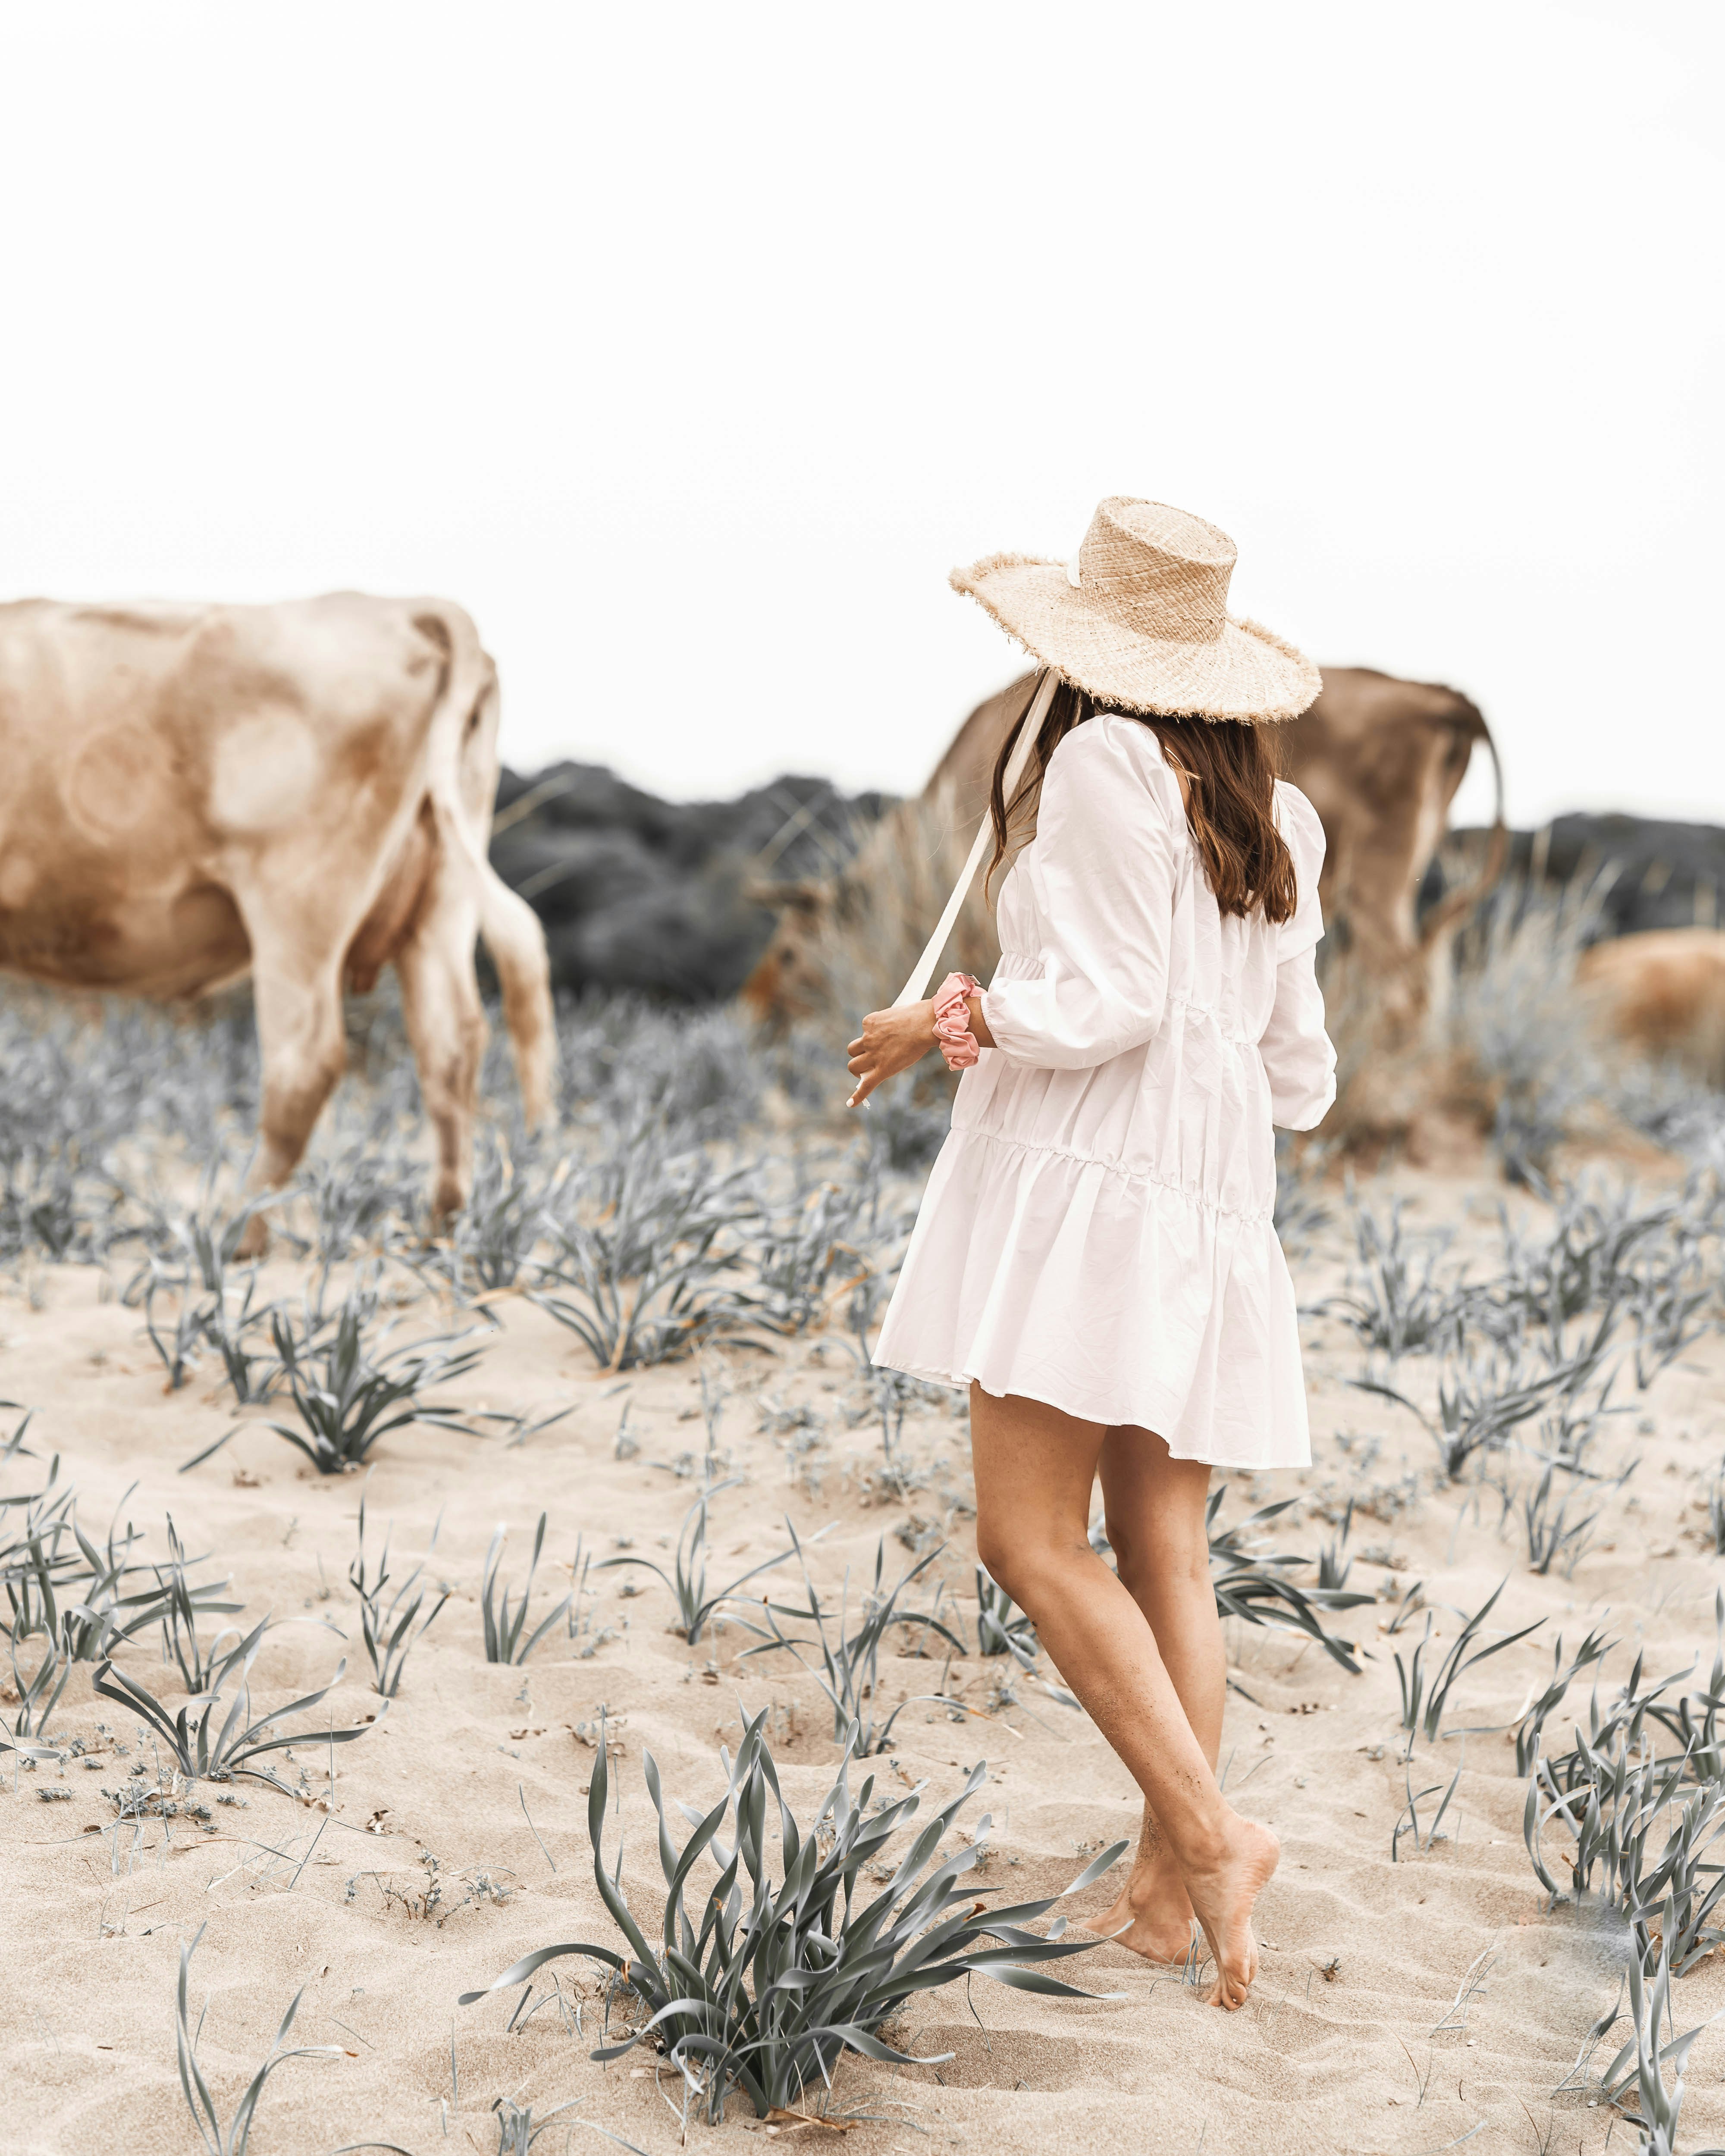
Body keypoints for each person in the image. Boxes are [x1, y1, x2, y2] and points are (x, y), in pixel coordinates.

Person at [847, 497, 1336, 2010]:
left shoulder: (1105, 761)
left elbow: (1106, 999)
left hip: (1090, 1194)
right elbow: (1303, 1077)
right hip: (1202, 1207)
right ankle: (1161, 1901)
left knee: (1029, 1544)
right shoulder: (1285, 822)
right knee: (1165, 1551)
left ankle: (1206, 1835)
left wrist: (945, 1016)